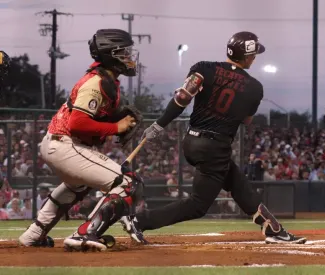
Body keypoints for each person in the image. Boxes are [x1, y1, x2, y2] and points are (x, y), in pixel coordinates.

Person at [120, 31, 306, 244]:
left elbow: (181, 99)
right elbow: (246, 120)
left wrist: (159, 124)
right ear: (245, 57)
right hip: (215, 147)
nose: (254, 58)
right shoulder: (254, 87)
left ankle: (271, 227)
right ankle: (139, 220)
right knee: (198, 205)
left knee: (237, 184)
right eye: (253, 54)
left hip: (191, 141)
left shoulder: (203, 68)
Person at [18, 29, 144, 251]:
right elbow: (77, 123)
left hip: (59, 144)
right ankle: (85, 234)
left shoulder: (105, 80)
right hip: (65, 144)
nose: (129, 58)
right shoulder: (96, 82)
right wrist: (117, 126)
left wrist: (115, 121)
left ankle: (33, 235)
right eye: (124, 53)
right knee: (128, 183)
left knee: (77, 187)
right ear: (110, 55)